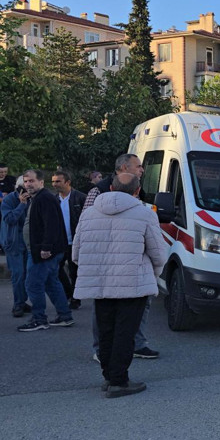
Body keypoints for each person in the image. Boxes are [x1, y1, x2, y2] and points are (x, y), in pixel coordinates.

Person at [72, 173, 167, 398]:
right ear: (137, 190)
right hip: (133, 283)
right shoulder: (145, 214)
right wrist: (154, 273)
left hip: (100, 283)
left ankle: (109, 376)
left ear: (111, 188)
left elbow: (76, 253)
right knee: (126, 332)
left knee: (105, 331)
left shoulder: (89, 214)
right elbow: (158, 254)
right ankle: (119, 380)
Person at [84, 153, 159, 360]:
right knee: (104, 310)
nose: (142, 170)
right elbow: (87, 228)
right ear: (125, 167)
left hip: (133, 262)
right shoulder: (97, 191)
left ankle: (136, 344)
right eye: (139, 166)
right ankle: (102, 350)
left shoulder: (139, 190)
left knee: (139, 308)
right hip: (106, 262)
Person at [17, 169, 74, 332]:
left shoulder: (45, 198)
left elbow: (52, 224)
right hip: (44, 250)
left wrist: (46, 247)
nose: (28, 184)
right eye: (26, 181)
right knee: (51, 282)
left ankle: (39, 319)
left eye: (32, 181)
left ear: (41, 182)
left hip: (42, 252)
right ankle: (65, 316)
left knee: (33, 284)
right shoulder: (39, 198)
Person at [51, 171, 86, 310]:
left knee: (74, 271)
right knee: (56, 269)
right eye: (53, 181)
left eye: (58, 181)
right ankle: (68, 293)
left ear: (68, 182)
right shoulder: (53, 199)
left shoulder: (80, 198)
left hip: (75, 241)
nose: (54, 184)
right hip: (59, 242)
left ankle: (76, 298)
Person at [1, 176, 31, 316]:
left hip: (28, 241)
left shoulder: (33, 199)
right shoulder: (9, 200)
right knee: (18, 274)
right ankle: (18, 304)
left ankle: (22, 301)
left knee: (27, 274)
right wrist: (21, 205)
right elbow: (9, 219)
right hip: (13, 242)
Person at [0, 163, 16, 254]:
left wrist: (8, 196)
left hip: (8, 206)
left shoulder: (11, 179)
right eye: (1, 172)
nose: (3, 174)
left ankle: (5, 245)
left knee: (6, 226)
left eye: (5, 172)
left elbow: (15, 191)